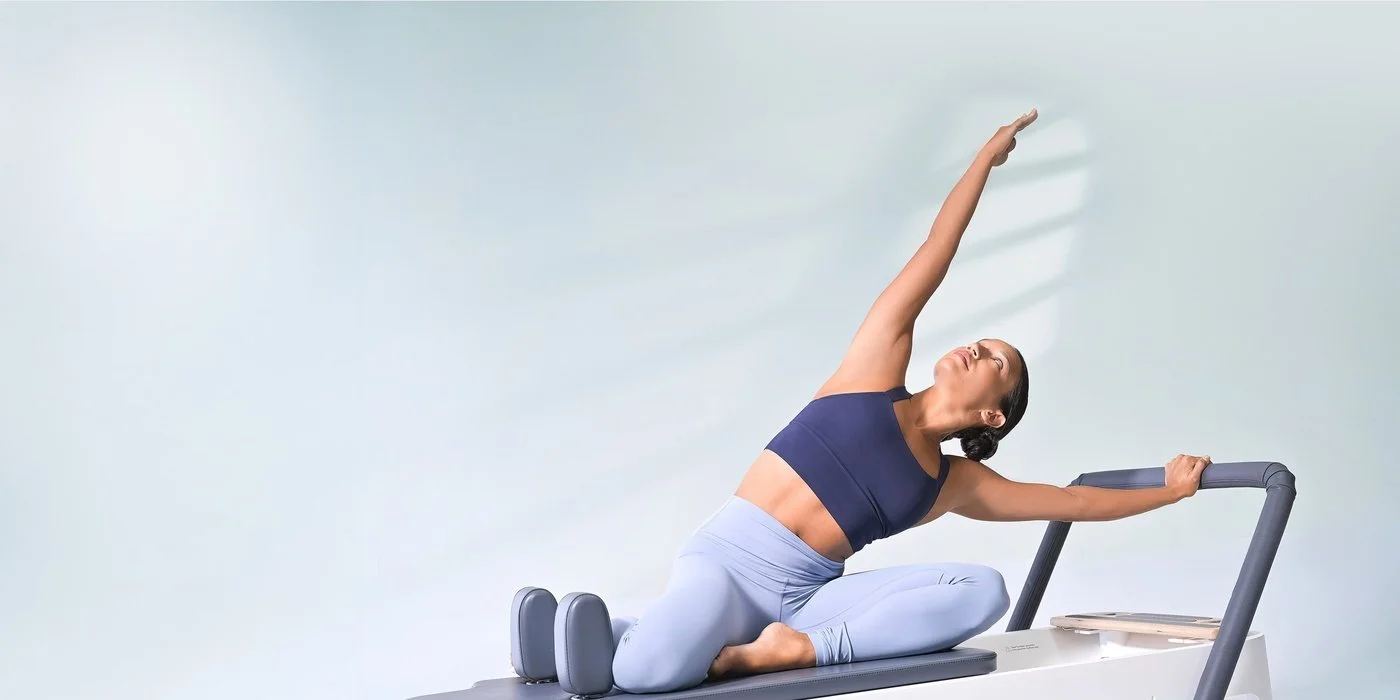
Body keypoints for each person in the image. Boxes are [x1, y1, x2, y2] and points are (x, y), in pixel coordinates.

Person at [576, 109, 1212, 693]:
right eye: (982, 341)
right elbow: (938, 252)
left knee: (982, 589)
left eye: (997, 361)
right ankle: (605, 631)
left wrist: (1171, 488)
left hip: (807, 604)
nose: (977, 349)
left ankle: (799, 652)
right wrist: (983, 162)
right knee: (642, 672)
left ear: (995, 413)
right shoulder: (873, 368)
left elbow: (1072, 502)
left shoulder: (953, 482)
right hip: (729, 565)